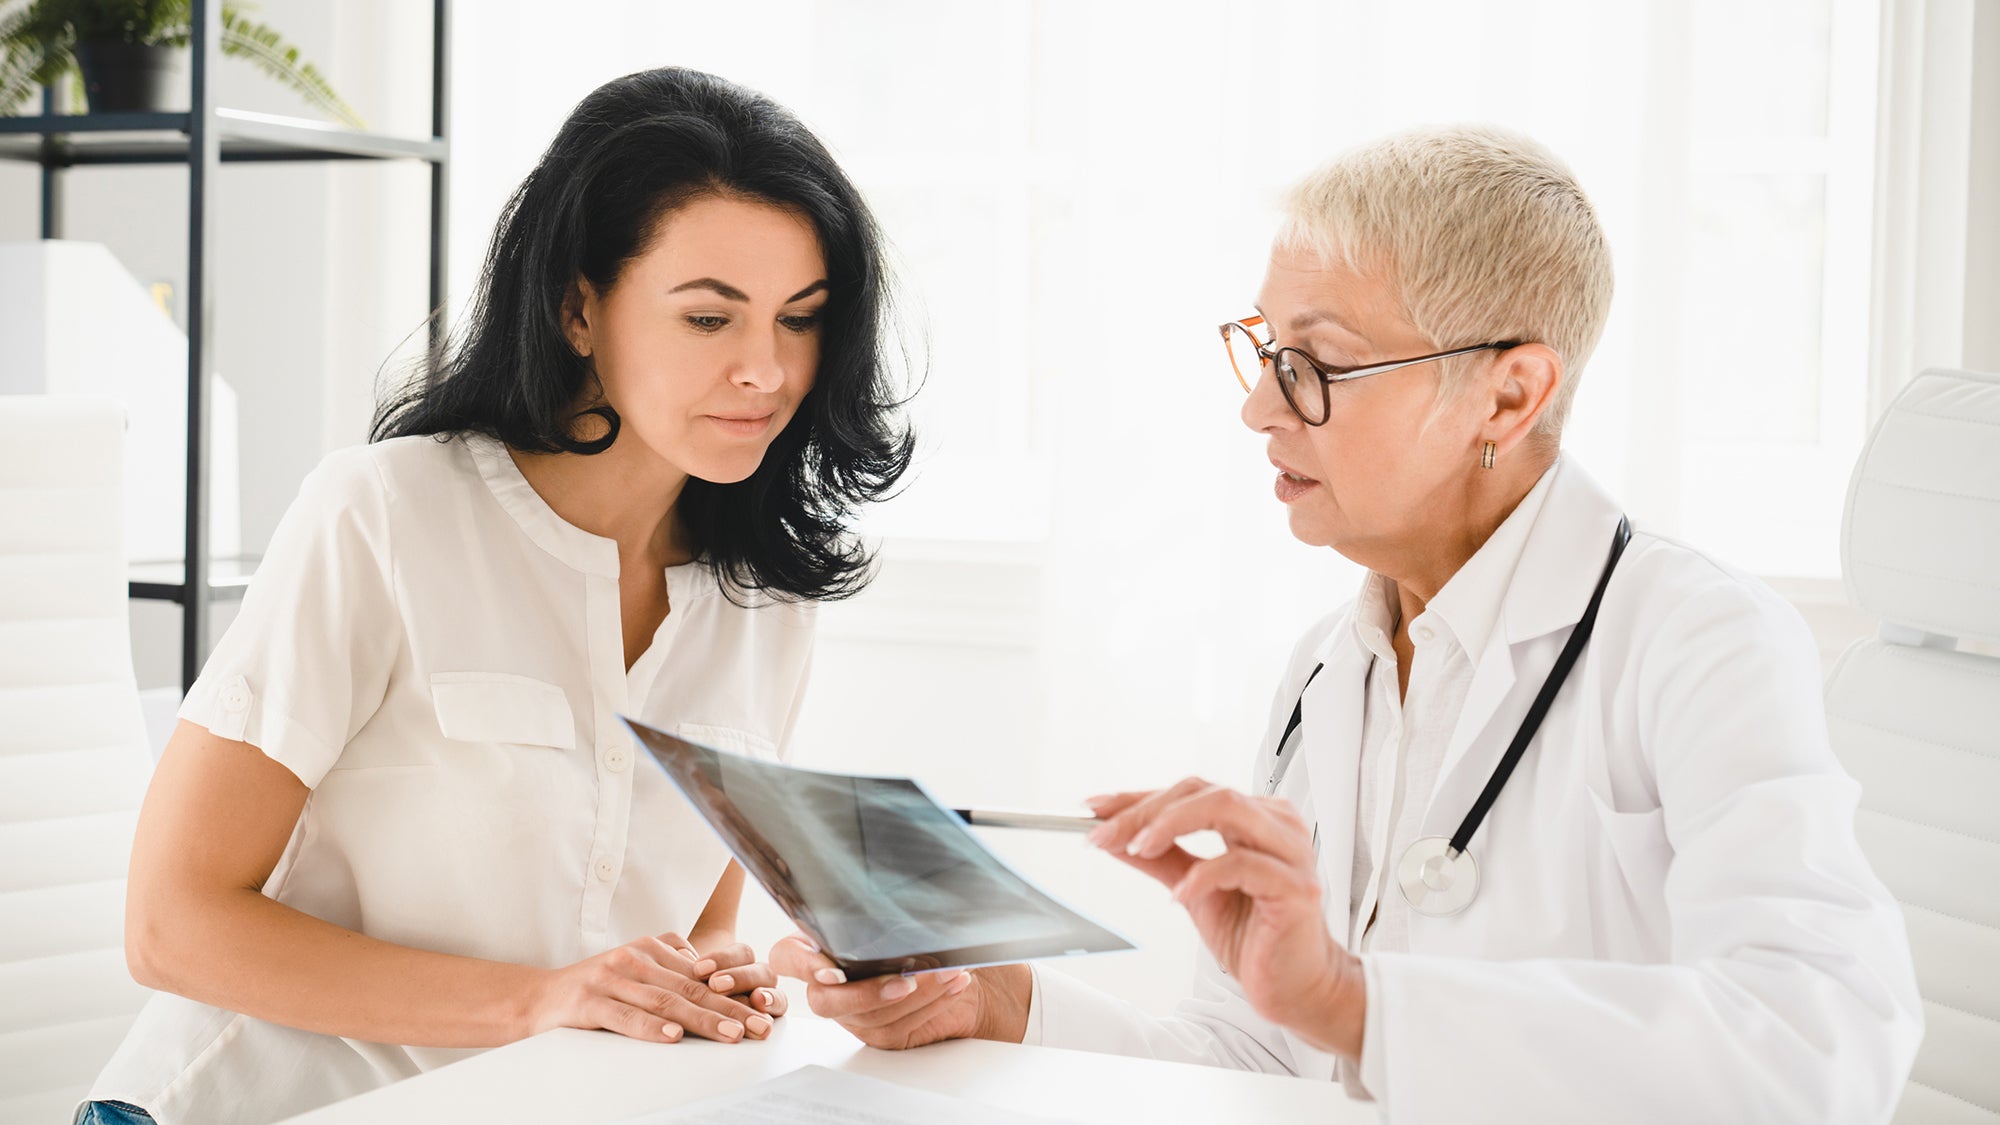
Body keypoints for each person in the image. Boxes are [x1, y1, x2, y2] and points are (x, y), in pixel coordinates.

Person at [773, 125, 1923, 1122]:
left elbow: (1821, 1044)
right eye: (1266, 352)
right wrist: (993, 1000)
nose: (1258, 405)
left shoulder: (1694, 639)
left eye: (1315, 363)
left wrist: (1356, 1001)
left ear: (1507, 394)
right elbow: (1264, 1061)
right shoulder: (1331, 666)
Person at [82, 67, 912, 1125]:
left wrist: (712, 986)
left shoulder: (767, 600)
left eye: (799, 320)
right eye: (710, 320)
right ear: (578, 307)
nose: (766, 370)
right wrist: (544, 1001)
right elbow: (171, 926)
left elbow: (697, 924)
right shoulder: (384, 516)